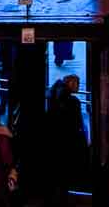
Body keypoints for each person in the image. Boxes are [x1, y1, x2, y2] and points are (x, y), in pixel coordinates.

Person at [44, 75, 89, 205]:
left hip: (54, 142)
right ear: (70, 83)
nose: (79, 86)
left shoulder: (53, 96)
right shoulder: (73, 102)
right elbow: (77, 124)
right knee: (64, 177)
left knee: (54, 175)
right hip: (67, 143)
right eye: (77, 83)